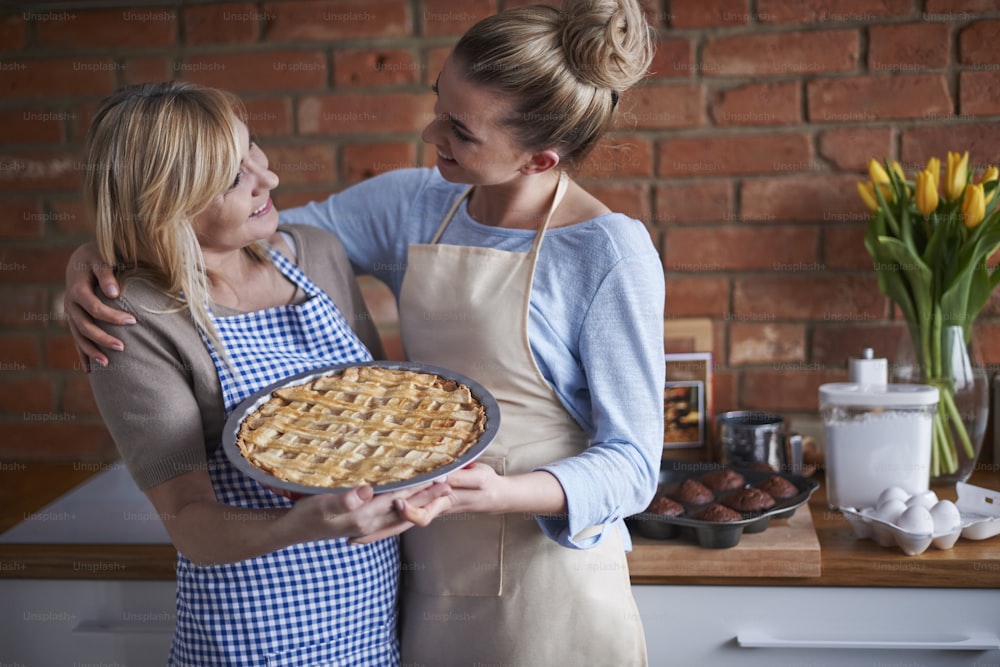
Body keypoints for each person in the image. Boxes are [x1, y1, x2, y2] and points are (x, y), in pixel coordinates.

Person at [66, 1, 665, 664]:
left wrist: (500, 493)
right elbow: (227, 227)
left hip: (544, 570)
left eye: (460, 131)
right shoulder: (413, 201)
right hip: (411, 570)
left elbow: (633, 467)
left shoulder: (607, 252)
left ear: (538, 159)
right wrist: (102, 255)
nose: (431, 131)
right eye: (438, 101)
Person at [74, 81, 452, 667]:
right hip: (253, 631)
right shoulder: (135, 320)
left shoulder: (317, 254)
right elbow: (189, 524)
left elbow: (379, 410)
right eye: (232, 177)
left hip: (372, 611)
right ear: (165, 201)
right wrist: (301, 523)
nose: (267, 179)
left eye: (255, 150)